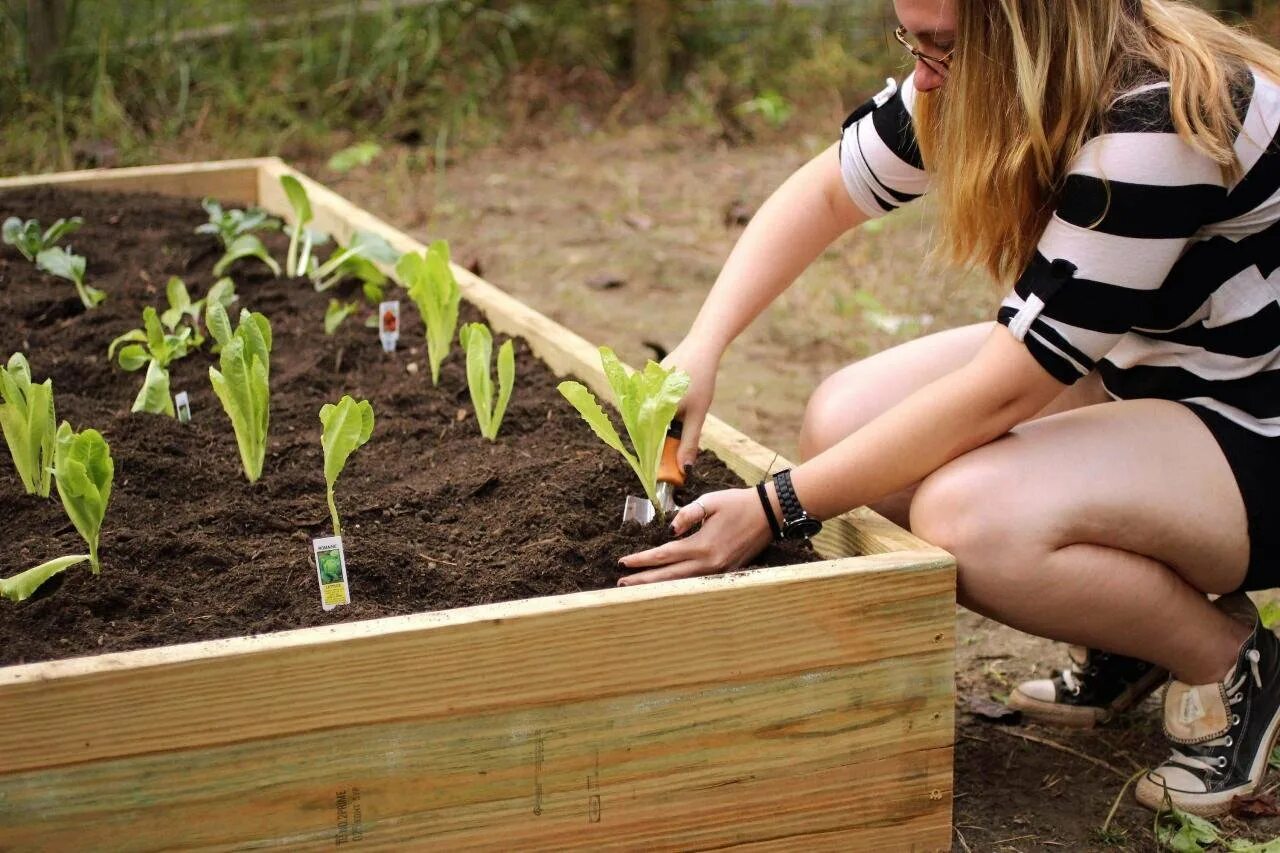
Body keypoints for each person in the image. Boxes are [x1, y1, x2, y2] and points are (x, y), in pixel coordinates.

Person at [618, 0, 1280, 817]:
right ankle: (1130, 628)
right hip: (1157, 370)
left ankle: (1229, 662)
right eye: (912, 40)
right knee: (842, 420)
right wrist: (702, 344)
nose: (922, 72)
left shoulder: (1156, 119)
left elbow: (1013, 382)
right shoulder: (998, 74)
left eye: (942, 47)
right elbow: (827, 191)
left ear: (1028, 34)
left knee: (970, 517)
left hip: (1256, 426)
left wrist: (777, 504)